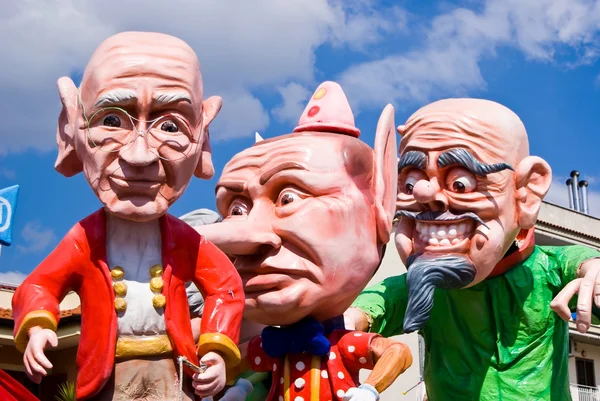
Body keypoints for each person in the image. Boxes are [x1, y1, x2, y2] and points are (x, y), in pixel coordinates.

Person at [11, 32, 244, 401]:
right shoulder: (84, 240)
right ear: (70, 128)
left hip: (174, 374)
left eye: (171, 127)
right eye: (112, 121)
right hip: (107, 378)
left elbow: (226, 287)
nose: (140, 157)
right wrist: (39, 325)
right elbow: (40, 285)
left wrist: (215, 348)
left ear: (203, 137)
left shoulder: (185, 241)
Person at [345, 98, 600, 400]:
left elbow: (584, 263)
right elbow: (374, 304)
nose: (426, 194)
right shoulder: (427, 286)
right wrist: (341, 320)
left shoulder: (549, 269)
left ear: (527, 193)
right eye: (411, 184)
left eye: (461, 183)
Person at [193, 81, 413, 401]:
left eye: (288, 198)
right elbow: (237, 362)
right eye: (236, 210)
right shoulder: (270, 346)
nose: (247, 240)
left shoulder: (344, 344)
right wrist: (230, 381)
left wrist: (369, 389)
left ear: (380, 206)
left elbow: (396, 354)